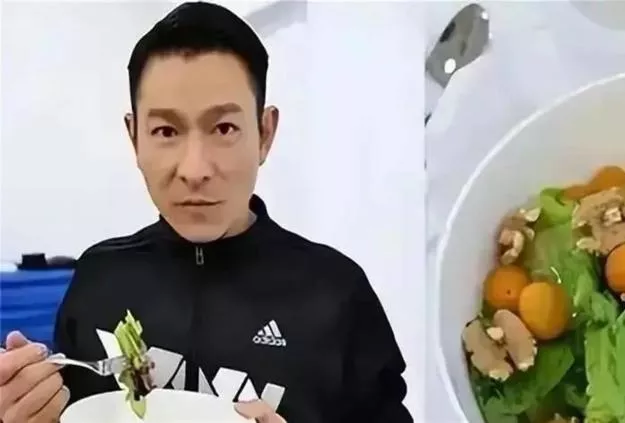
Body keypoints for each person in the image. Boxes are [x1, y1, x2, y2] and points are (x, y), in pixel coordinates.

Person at [0, 2, 412, 422]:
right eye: (166, 131)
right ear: (135, 137)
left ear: (265, 134)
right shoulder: (98, 279)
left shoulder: (337, 295)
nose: (194, 170)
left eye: (224, 128)